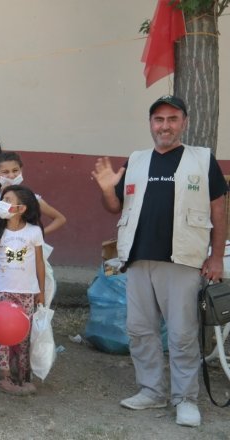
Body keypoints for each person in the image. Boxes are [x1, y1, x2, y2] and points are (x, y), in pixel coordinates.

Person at [92, 95, 227, 428]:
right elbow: (115, 207)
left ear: (184, 122)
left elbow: (219, 211)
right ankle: (151, 391)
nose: (165, 126)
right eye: (158, 120)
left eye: (172, 119)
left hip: (182, 260)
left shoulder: (202, 160)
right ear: (150, 124)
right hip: (139, 259)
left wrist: (216, 256)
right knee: (140, 330)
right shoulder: (137, 160)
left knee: (182, 333)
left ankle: (186, 399)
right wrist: (108, 189)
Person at [0, 185, 45, 396]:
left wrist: (41, 291)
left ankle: (23, 375)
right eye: (3, 199)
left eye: (8, 200)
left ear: (21, 208)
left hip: (27, 292)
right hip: (3, 292)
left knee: (24, 335)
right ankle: (5, 377)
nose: (3, 203)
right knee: (2, 335)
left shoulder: (34, 232)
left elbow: (39, 263)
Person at [0, 152, 66, 234]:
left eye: (15, 170)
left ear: (21, 170)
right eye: (5, 172)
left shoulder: (32, 198)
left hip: (25, 247)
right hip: (2, 246)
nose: (11, 175)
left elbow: (60, 219)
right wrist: (3, 196)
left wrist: (39, 234)